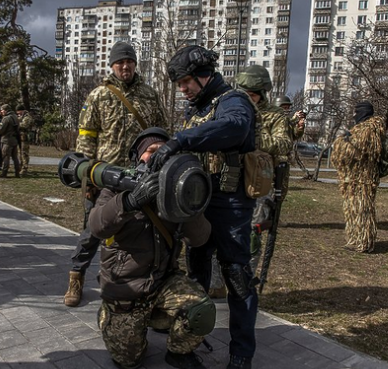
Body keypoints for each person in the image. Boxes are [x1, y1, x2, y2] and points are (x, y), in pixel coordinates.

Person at [149, 45, 258, 369]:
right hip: (198, 203)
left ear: (203, 75)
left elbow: (234, 128)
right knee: (196, 271)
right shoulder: (196, 109)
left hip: (230, 205)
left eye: (184, 82)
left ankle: (241, 353)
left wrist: (181, 141)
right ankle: (194, 333)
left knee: (237, 278)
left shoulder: (233, 102)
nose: (182, 89)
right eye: (179, 84)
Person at [91, 127, 213, 369]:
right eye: (150, 151)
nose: (156, 157)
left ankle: (177, 353)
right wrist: (129, 202)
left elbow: (200, 239)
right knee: (129, 361)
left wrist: (189, 205)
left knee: (201, 310)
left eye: (163, 152)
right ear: (137, 157)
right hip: (126, 290)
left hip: (162, 283)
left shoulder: (175, 192)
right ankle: (112, 317)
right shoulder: (116, 187)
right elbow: (96, 226)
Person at [64, 41, 167, 307]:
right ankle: (76, 276)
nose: (125, 66)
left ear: (135, 64)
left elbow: (162, 133)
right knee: (93, 230)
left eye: (129, 61)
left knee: (142, 231)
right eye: (120, 62)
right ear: (112, 65)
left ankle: (133, 281)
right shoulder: (99, 95)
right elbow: (86, 137)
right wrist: (86, 177)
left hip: (140, 177)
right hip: (104, 177)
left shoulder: (150, 94)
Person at [235, 66, 292, 274]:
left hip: (260, 182)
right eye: (245, 95)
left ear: (261, 94)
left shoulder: (275, 115)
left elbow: (284, 143)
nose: (249, 99)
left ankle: (246, 278)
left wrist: (254, 138)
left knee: (253, 233)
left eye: (252, 95)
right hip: (232, 179)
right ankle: (217, 285)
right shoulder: (233, 110)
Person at [332, 101, 385, 253]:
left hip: (363, 180)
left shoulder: (369, 129)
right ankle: (355, 239)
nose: (354, 116)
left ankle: (365, 242)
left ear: (363, 112)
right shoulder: (359, 129)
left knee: (363, 210)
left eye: (356, 112)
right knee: (353, 210)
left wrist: (342, 142)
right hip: (353, 178)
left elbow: (354, 150)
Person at [0, 104, 21, 178]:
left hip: (7, 140)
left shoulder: (6, 118)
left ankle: (4, 173)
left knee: (6, 157)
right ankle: (17, 173)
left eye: (2, 110)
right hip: (14, 140)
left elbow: (1, 130)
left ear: (6, 110)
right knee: (15, 157)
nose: (1, 111)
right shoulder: (16, 117)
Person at [16, 104, 32, 176]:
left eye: (19, 112)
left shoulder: (27, 117)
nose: (18, 114)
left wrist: (17, 123)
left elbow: (24, 125)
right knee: (20, 153)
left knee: (24, 153)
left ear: (22, 110)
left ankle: (24, 168)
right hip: (20, 137)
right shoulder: (21, 117)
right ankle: (20, 166)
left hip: (25, 137)